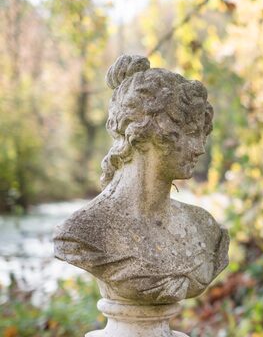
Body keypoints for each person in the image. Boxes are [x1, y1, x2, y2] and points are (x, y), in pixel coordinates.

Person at [54, 55, 229, 304]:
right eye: (190, 134)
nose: (200, 148)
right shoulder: (83, 232)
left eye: (202, 135)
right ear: (148, 131)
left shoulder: (206, 229)